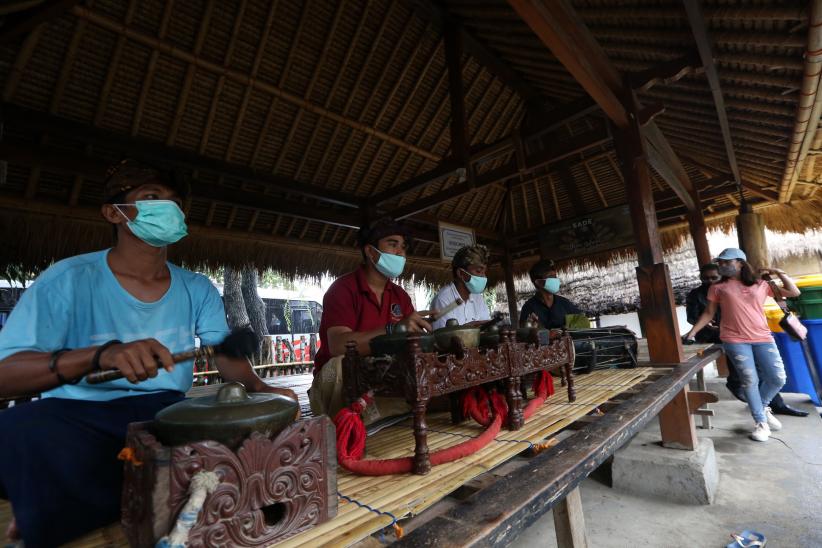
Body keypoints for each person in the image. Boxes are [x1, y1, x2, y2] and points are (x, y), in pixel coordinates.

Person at [0, 159, 297, 547]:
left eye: (174, 202)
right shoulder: (68, 279)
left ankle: (56, 503)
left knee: (236, 440)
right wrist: (100, 356)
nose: (167, 209)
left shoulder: (196, 287)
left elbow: (225, 356)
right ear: (113, 212)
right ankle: (62, 506)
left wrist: (259, 387)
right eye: (152, 198)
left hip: (166, 414)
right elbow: (6, 374)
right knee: (17, 429)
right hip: (78, 416)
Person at [309, 217, 431, 423]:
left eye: (403, 247)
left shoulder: (401, 296)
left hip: (384, 375)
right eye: (392, 244)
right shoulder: (342, 289)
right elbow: (338, 346)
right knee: (339, 364)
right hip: (342, 380)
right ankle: (347, 426)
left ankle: (386, 416)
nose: (401, 252)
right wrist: (393, 329)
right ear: (371, 251)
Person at [684, 248, 801, 442]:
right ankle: (761, 422)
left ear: (740, 263)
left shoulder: (761, 283)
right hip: (733, 339)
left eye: (725, 262)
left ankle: (761, 406)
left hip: (762, 337)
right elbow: (708, 313)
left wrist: (780, 274)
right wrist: (693, 332)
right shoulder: (718, 288)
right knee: (749, 380)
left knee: (777, 378)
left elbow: (793, 292)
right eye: (720, 262)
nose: (721, 266)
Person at [431, 244, 492, 329]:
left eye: (484, 272)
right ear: (461, 273)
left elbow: (486, 329)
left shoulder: (478, 298)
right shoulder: (443, 299)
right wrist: (467, 330)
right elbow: (442, 338)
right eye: (478, 271)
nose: (484, 277)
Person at [519, 259, 583, 329]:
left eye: (555, 276)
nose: (555, 280)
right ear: (538, 282)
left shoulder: (565, 304)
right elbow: (525, 334)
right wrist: (545, 334)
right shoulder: (529, 307)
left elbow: (581, 323)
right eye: (550, 276)